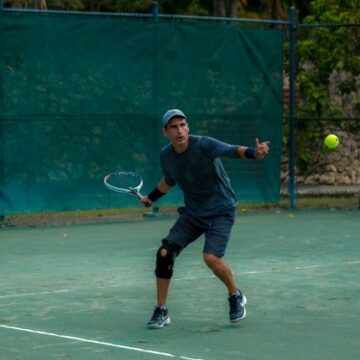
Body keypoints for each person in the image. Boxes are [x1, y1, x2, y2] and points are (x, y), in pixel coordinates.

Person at [141, 109, 269, 329]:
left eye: (183, 125)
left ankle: (235, 295)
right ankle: (161, 310)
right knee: (164, 253)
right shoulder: (166, 155)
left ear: (188, 127)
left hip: (221, 209)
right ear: (166, 132)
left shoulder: (204, 145)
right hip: (193, 213)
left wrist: (254, 153)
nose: (180, 130)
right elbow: (169, 180)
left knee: (210, 257)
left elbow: (231, 150)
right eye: (174, 127)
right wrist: (151, 197)